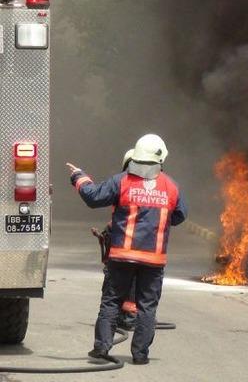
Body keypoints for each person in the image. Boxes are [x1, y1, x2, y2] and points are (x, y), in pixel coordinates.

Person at [68, 134, 187, 365]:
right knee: (147, 307)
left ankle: (102, 348)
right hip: (153, 261)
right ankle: (140, 355)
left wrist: (79, 177)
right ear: (160, 158)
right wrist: (158, 222)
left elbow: (93, 197)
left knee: (111, 301)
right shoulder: (171, 186)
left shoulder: (121, 181)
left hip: (121, 257)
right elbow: (180, 215)